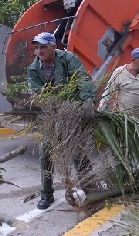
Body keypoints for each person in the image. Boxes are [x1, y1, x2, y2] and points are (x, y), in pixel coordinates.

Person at [27, 31, 96, 210]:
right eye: (37, 48)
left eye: (43, 47)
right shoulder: (34, 69)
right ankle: (46, 194)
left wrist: (87, 101)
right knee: (46, 154)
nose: (39, 51)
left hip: (72, 112)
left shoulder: (68, 59)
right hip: (51, 115)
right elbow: (37, 92)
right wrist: (53, 106)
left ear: (53, 46)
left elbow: (82, 78)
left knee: (78, 151)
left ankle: (90, 188)